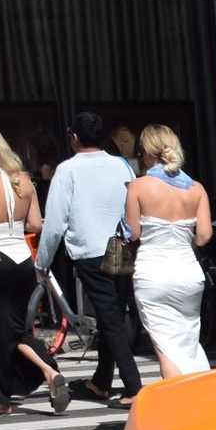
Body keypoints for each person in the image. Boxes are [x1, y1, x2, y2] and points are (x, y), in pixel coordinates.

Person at [0, 126, 68, 416]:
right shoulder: (23, 180)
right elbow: (35, 225)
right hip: (21, 260)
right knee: (16, 328)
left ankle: (1, 400)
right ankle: (48, 371)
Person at [35, 111, 142, 407]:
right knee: (114, 315)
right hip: (120, 244)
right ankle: (101, 381)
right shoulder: (121, 165)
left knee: (109, 319)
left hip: (91, 249)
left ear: (75, 138)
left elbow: (54, 222)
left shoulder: (68, 170)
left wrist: (42, 261)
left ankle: (133, 385)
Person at [126, 123, 212, 378]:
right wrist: (188, 243)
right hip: (187, 271)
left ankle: (178, 406)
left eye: (141, 150)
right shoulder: (196, 188)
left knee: (166, 347)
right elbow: (205, 235)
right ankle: (199, 396)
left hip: (153, 271)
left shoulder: (138, 187)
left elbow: (133, 233)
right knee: (187, 342)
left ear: (149, 152)